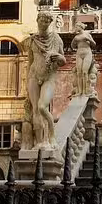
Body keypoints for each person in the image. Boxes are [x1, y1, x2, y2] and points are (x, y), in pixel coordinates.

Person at [26, 11, 66, 149]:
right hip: (33, 75)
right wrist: (26, 82)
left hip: (49, 76)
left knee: (42, 106)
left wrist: (59, 58)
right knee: (36, 110)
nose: (43, 24)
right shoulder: (32, 40)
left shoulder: (56, 39)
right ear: (37, 21)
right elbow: (29, 61)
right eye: (41, 21)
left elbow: (63, 60)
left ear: (50, 22)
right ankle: (39, 142)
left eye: (46, 21)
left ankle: (51, 136)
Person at [71, 23, 96, 96]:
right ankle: (79, 91)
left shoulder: (87, 35)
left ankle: (86, 91)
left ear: (80, 27)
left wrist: (88, 39)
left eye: (76, 26)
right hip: (79, 53)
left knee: (84, 72)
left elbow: (94, 44)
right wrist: (75, 41)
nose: (75, 28)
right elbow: (72, 46)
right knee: (79, 72)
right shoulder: (76, 37)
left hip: (87, 53)